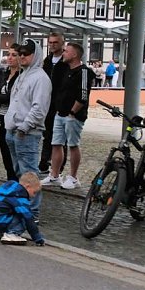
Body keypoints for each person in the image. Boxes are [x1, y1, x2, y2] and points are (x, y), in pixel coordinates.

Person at [3, 39, 52, 222]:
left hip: (27, 132)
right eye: (20, 53)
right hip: (14, 130)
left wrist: (24, 127)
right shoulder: (22, 76)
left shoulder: (40, 78)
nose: (22, 56)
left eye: (26, 53)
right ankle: (24, 208)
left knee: (29, 174)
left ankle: (32, 212)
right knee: (20, 173)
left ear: (35, 55)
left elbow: (39, 108)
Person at [41, 42, 94, 190]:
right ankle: (54, 175)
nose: (63, 53)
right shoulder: (66, 70)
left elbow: (83, 95)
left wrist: (73, 112)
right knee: (56, 143)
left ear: (74, 54)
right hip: (60, 113)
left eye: (66, 51)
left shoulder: (84, 72)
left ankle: (73, 177)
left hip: (73, 116)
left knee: (73, 145)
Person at [0, 43, 21, 181]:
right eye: (8, 54)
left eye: (14, 55)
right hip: (2, 117)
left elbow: (9, 97)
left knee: (14, 153)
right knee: (5, 152)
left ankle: (17, 181)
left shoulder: (21, 76)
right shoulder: (5, 73)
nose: (9, 58)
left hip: (15, 118)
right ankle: (10, 179)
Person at [0, 172, 46, 246]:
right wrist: (38, 238)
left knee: (5, 211)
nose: (34, 196)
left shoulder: (7, 190)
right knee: (24, 217)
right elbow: (28, 218)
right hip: (0, 223)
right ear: (28, 187)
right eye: (34, 192)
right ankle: (11, 234)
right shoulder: (20, 198)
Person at [40, 31, 67, 173]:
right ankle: (44, 161)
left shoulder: (66, 61)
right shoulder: (47, 61)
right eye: (50, 42)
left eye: (55, 42)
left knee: (61, 137)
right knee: (47, 133)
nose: (52, 45)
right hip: (47, 103)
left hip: (61, 104)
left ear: (62, 43)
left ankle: (59, 166)